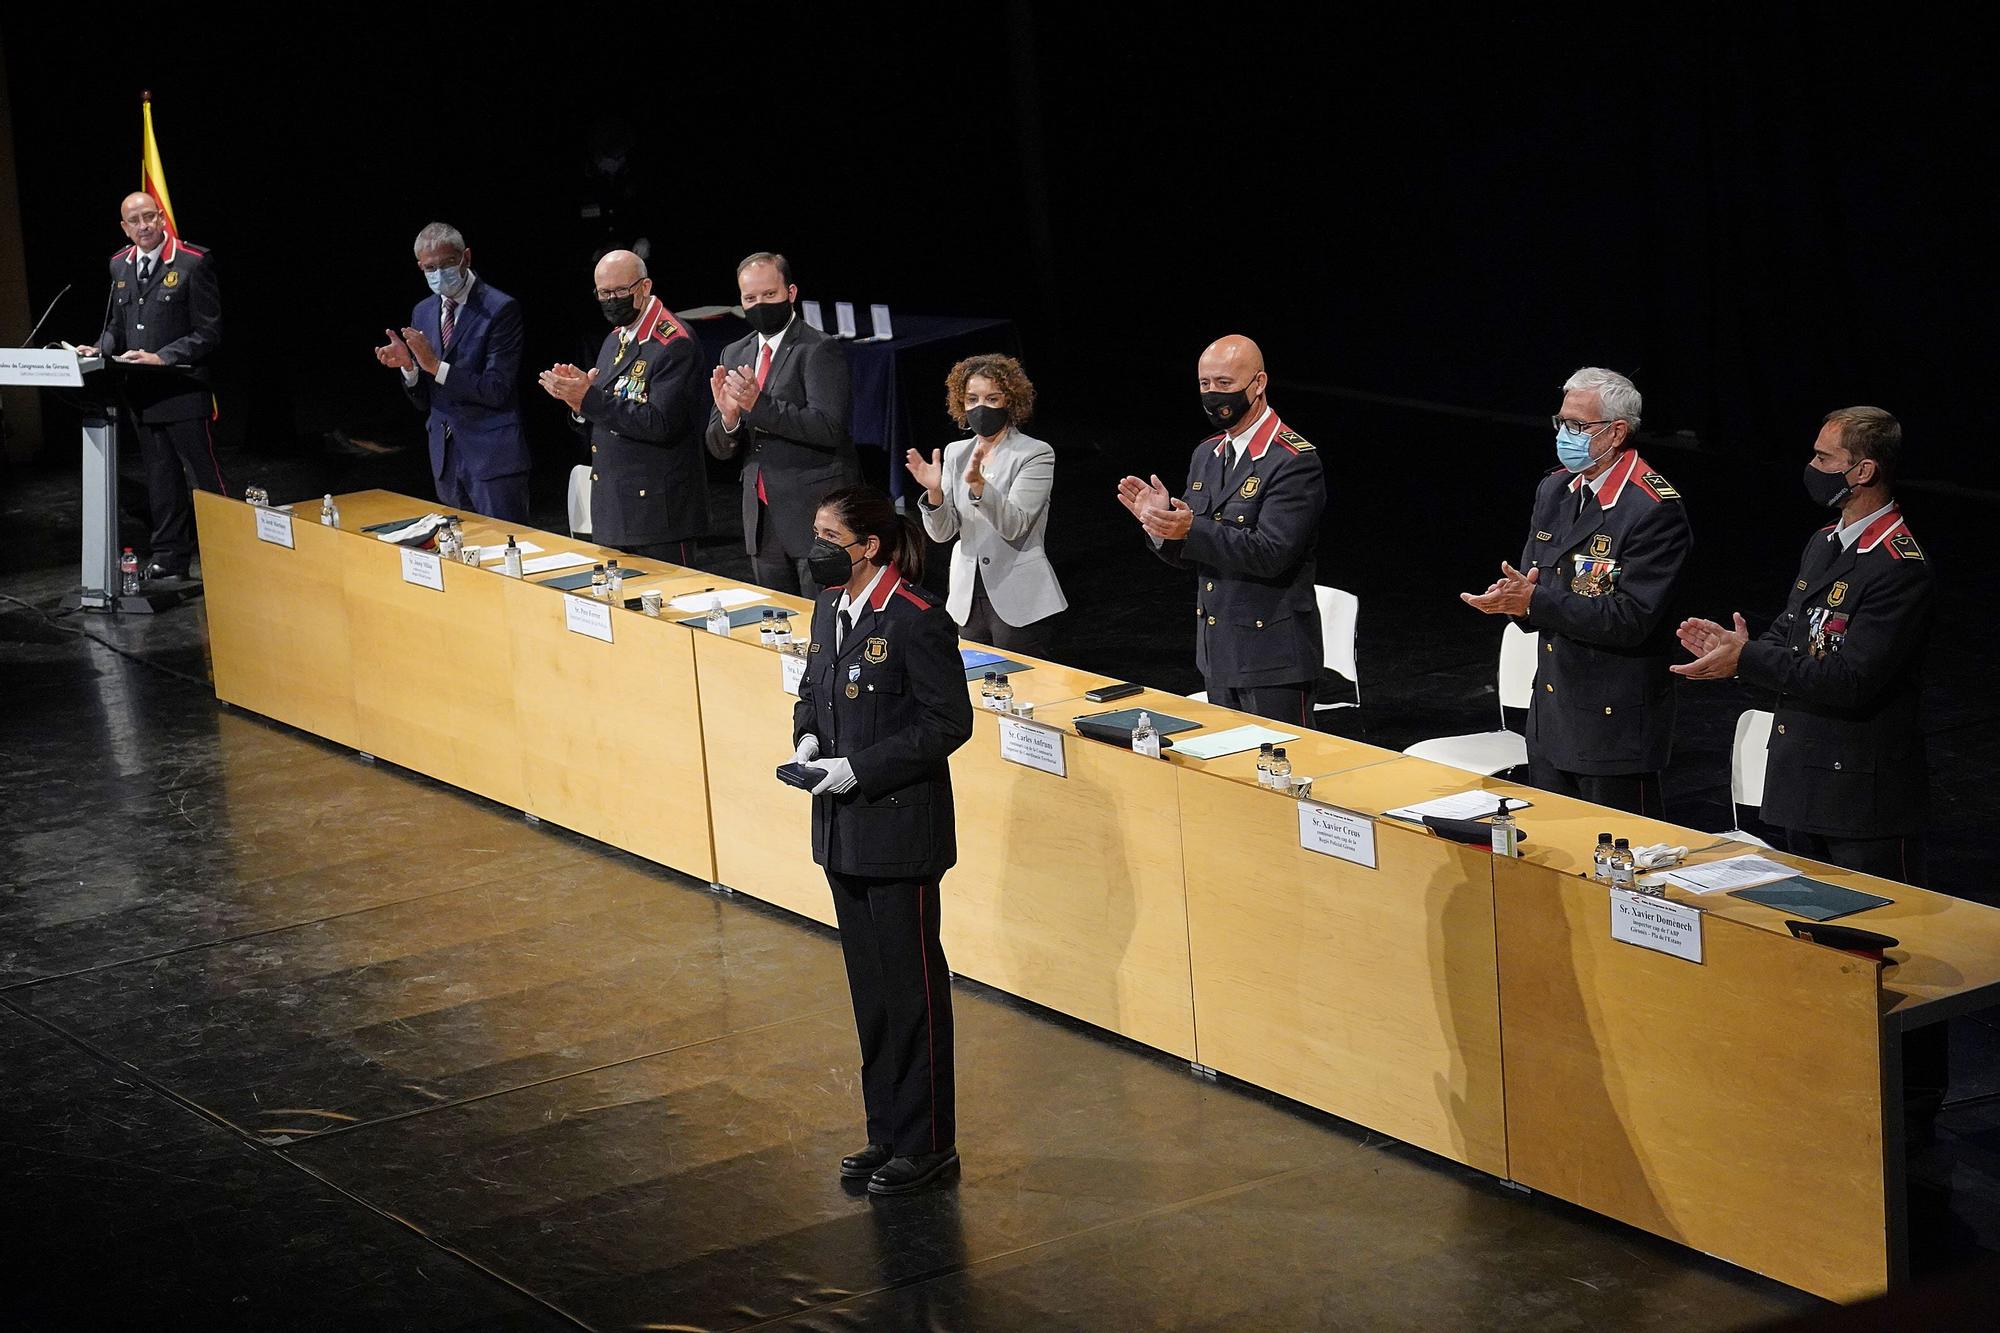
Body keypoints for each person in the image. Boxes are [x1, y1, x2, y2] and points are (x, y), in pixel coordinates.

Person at [1672, 405, 1940, 1132]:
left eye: (1825, 459)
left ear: (1863, 470)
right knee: (1808, 950)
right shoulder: (1826, 543)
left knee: (1887, 962)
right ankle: (1823, 1091)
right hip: (1800, 780)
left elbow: (1852, 678)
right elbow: (1795, 641)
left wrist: (1750, 659)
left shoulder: (1899, 566)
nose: (1813, 468)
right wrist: (1736, 649)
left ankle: (1909, 1118)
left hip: (1863, 797)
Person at [789, 484, 974, 1195]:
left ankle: (928, 1141)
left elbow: (947, 723)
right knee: (870, 991)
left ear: (866, 547)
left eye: (828, 535)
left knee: (913, 988)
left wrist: (858, 768)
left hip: (898, 829)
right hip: (840, 829)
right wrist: (806, 733)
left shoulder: (917, 619)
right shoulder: (830, 606)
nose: (817, 546)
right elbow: (814, 685)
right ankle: (885, 1131)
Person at [1460, 367, 1692, 816]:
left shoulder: (1651, 509)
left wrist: (1534, 602)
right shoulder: (1555, 489)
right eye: (1562, 422)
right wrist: (1514, 602)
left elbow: (1632, 619)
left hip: (1614, 725)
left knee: (1617, 864)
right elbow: (1536, 584)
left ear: (1617, 432)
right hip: (1552, 713)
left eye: (1579, 426)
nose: (1566, 434)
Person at [1115, 334, 1325, 725]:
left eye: (1224, 384)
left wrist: (1191, 528)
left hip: (1273, 655)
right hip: (1218, 650)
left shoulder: (1293, 460)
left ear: (1258, 384)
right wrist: (1161, 525)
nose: (1213, 395)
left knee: (1279, 775)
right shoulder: (1207, 454)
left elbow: (1271, 554)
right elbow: (1195, 552)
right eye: (1205, 385)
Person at [78, 192, 224, 582]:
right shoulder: (118, 265)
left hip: (183, 388)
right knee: (160, 477)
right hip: (141, 392)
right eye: (134, 221)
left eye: (148, 217)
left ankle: (229, 551)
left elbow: (208, 332)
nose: (143, 226)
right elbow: (116, 326)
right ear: (125, 228)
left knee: (203, 476)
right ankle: (169, 556)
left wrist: (164, 357)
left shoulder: (193, 262)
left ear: (161, 219)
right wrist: (99, 348)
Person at [537, 250, 707, 564]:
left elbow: (661, 423)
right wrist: (577, 402)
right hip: (615, 509)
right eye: (604, 293)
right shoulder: (615, 339)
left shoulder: (673, 343)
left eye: (620, 292)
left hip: (657, 515)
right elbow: (607, 414)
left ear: (644, 287)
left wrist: (588, 397)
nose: (612, 300)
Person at [706, 252, 856, 594]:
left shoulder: (818, 349)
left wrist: (758, 405)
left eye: (769, 295)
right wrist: (729, 419)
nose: (759, 304)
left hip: (814, 513)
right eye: (750, 298)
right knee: (778, 623)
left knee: (822, 625)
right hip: (761, 516)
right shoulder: (734, 353)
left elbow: (829, 427)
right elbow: (719, 446)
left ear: (791, 292)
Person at [906, 354, 1066, 657]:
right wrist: (935, 492)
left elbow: (1014, 525)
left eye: (992, 398)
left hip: (1019, 598)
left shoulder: (1034, 454)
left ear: (1011, 401)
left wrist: (980, 487)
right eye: (972, 399)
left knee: (1024, 688)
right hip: (966, 600)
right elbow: (942, 534)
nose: (981, 407)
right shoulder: (955, 452)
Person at [374, 222, 530, 522]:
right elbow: (425, 400)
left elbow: (497, 389)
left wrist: (434, 366)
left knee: (506, 549)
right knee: (457, 553)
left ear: (466, 258)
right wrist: (409, 367)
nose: (439, 273)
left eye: (447, 264)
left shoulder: (499, 309)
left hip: (491, 457)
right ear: (420, 267)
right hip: (445, 455)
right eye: (430, 267)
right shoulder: (422, 311)